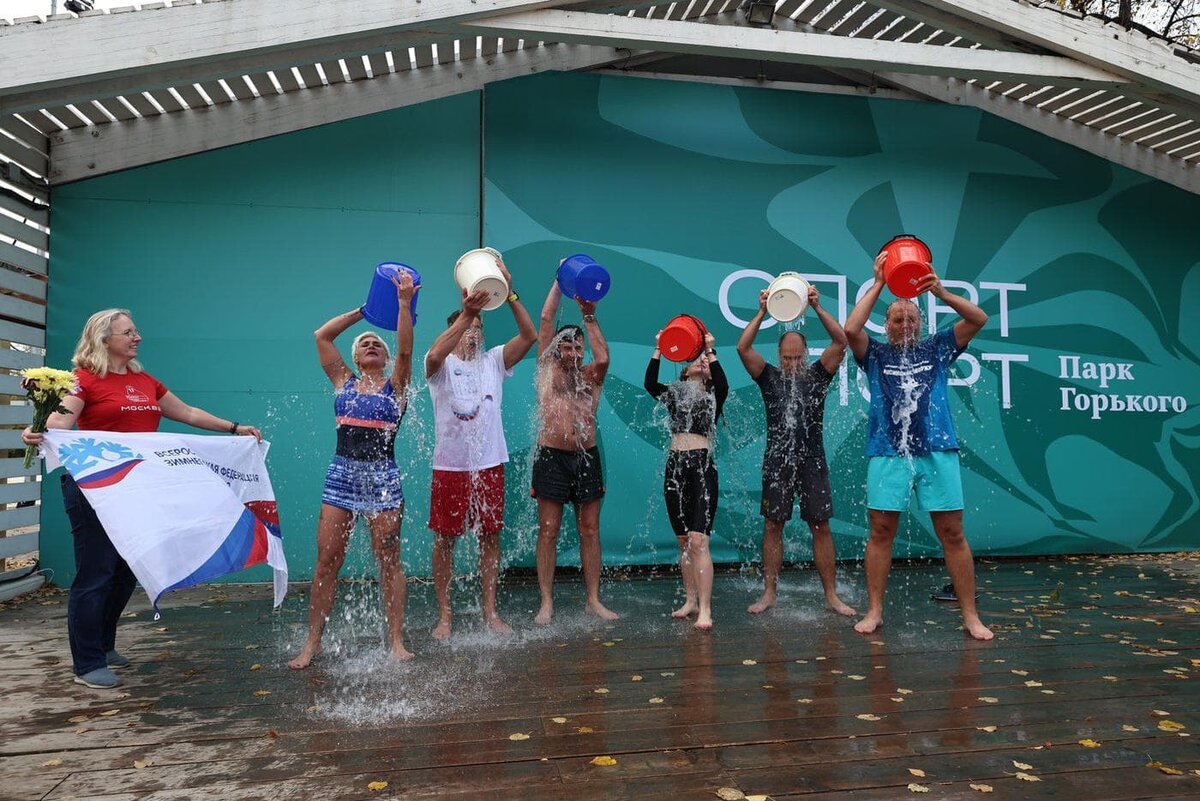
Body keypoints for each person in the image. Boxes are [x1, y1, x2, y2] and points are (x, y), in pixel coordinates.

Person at [21, 308, 263, 689]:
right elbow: (61, 423)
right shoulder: (82, 381)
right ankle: (87, 662)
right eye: (128, 333)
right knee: (96, 571)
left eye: (136, 331)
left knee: (125, 570)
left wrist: (233, 428)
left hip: (140, 490)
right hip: (95, 491)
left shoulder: (144, 380)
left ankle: (104, 644)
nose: (137, 338)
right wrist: (38, 430)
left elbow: (186, 412)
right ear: (104, 340)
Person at [844, 252, 993, 641]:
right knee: (880, 530)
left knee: (952, 532)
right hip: (888, 450)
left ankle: (970, 615)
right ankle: (875, 610)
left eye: (911, 318)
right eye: (898, 319)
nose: (905, 324)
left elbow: (978, 319)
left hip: (937, 448)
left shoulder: (938, 348)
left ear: (921, 322)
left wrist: (940, 291)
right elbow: (850, 329)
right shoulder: (875, 355)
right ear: (887, 324)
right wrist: (879, 284)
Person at [289, 272, 417, 669]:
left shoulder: (395, 387)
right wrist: (367, 312)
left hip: (383, 478)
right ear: (357, 358)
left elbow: (407, 352)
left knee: (389, 558)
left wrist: (400, 305)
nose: (373, 344)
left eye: (378, 342)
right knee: (327, 560)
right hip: (341, 475)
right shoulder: (343, 381)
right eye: (366, 343)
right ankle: (313, 643)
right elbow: (321, 336)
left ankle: (395, 640)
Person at [425, 258, 537, 638]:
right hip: (450, 467)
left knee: (490, 536)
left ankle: (489, 612)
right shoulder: (440, 366)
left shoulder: (494, 361)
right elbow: (433, 356)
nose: (473, 333)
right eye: (467, 327)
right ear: (454, 330)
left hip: (489, 464)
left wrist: (510, 290)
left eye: (478, 327)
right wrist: (465, 314)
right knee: (446, 539)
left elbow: (530, 336)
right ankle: (445, 614)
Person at [736, 284, 855, 617]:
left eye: (797, 357)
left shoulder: (819, 375)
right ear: (779, 357)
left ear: (806, 355)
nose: (791, 363)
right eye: (786, 358)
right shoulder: (768, 377)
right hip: (777, 461)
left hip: (812, 461)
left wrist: (817, 306)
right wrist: (761, 311)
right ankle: (769, 593)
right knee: (773, 525)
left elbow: (841, 342)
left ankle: (831, 595)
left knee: (821, 526)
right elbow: (743, 347)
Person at [531, 278, 619, 625]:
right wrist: (558, 281)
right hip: (551, 455)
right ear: (556, 349)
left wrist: (589, 316)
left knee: (590, 529)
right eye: (565, 346)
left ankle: (593, 599)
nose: (571, 352)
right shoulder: (547, 371)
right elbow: (545, 321)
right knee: (548, 529)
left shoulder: (590, 375)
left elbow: (604, 356)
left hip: (586, 456)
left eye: (576, 346)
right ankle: (546, 601)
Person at [644, 330, 728, 630]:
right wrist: (658, 347)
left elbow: (723, 382)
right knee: (683, 541)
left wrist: (711, 350)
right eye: (698, 358)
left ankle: (705, 609)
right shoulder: (675, 393)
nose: (702, 361)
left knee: (699, 540)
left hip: (702, 466)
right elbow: (649, 383)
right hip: (676, 465)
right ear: (684, 367)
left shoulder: (712, 395)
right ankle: (690, 600)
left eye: (705, 360)